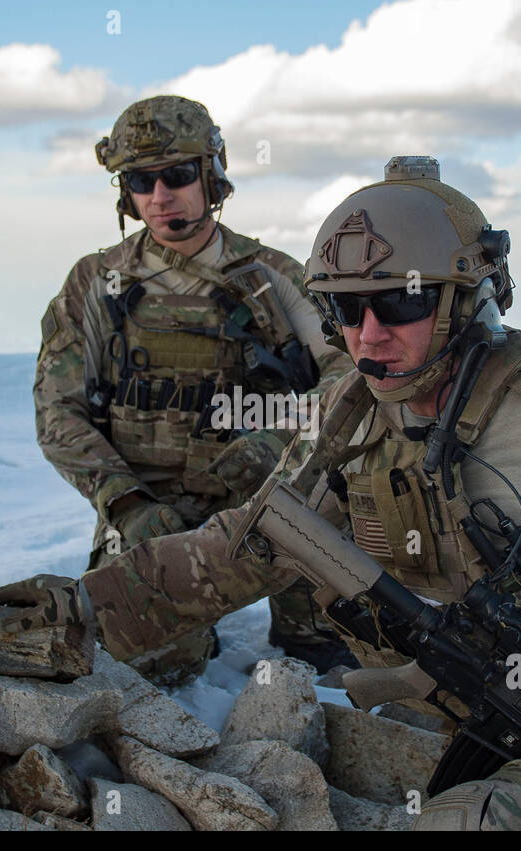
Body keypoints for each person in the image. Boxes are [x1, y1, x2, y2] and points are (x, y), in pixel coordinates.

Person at [12, 155, 521, 829]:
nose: (368, 335)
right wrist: (70, 616)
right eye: (344, 310)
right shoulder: (352, 411)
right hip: (441, 731)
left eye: (397, 302)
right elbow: (246, 549)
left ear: (462, 297)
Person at [33, 95, 354, 683]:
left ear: (212, 175)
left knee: (336, 645)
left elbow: (349, 378)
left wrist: (279, 438)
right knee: (143, 661)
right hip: (147, 510)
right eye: (139, 181)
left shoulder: (272, 277)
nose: (160, 196)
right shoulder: (96, 283)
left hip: (267, 505)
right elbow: (58, 413)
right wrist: (126, 505)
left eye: (177, 176)